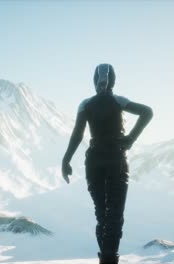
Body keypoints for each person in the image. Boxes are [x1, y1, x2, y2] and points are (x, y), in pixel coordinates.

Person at [61, 63, 153, 264]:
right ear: (114, 81)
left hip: (93, 160)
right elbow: (147, 112)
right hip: (116, 159)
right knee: (114, 216)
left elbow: (77, 135)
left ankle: (104, 258)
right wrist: (130, 139)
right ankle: (110, 260)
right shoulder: (119, 101)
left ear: (95, 81)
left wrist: (66, 159)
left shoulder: (85, 105)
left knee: (102, 215)